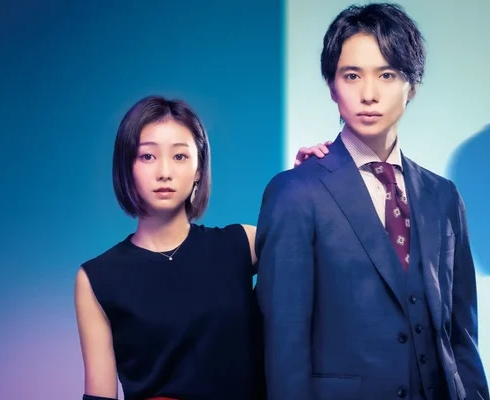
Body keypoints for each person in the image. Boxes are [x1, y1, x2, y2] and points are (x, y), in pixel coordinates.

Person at [255, 3, 489, 400]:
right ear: (332, 86)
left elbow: (462, 337)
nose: (368, 94)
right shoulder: (295, 192)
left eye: (387, 75)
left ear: (412, 87)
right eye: (352, 75)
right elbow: (283, 345)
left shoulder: (444, 197)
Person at [74, 95, 330, 400]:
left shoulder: (241, 244)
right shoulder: (97, 278)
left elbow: (325, 252)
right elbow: (100, 395)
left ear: (199, 169)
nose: (164, 172)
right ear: (126, 166)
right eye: (148, 156)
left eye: (180, 156)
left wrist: (303, 183)